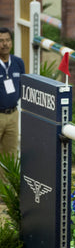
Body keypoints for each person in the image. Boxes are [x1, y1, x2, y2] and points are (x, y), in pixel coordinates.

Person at [0, 27, 25, 156]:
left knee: (10, 155)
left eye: (8, 40)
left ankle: (5, 178)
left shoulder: (18, 63)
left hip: (13, 115)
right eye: (1, 40)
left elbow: (23, 86)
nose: (5, 44)